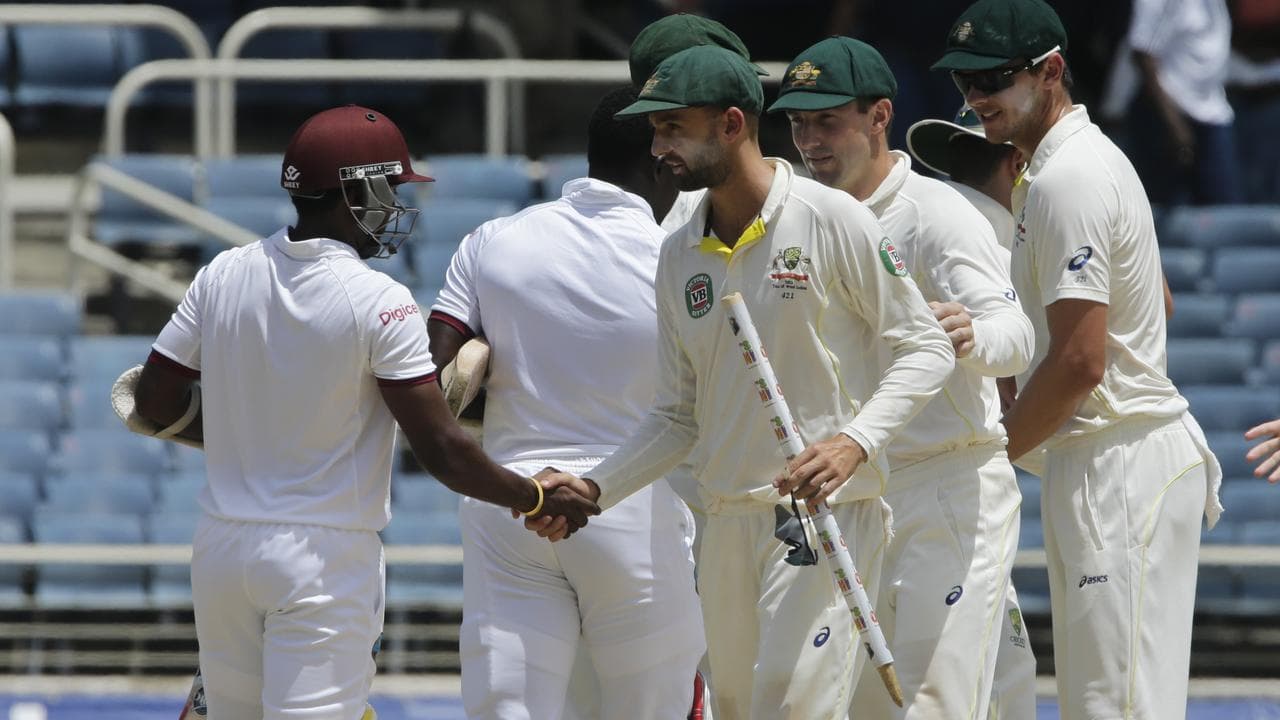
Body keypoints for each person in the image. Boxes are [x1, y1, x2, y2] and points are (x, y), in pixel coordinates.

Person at [132, 105, 599, 720]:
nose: (397, 203)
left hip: (221, 549)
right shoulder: (381, 300)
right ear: (356, 190)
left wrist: (253, 435)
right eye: (391, 187)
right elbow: (442, 450)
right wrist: (537, 498)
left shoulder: (224, 272)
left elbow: (153, 402)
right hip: (323, 561)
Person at [533, 45, 957, 719]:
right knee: (737, 708)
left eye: (674, 127)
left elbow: (927, 348)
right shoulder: (676, 254)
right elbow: (677, 415)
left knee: (792, 708)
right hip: (725, 521)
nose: (658, 145)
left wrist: (853, 442)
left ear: (731, 125)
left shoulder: (830, 218)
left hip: (821, 517)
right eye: (655, 129)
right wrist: (594, 487)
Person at [932, 2, 1224, 718]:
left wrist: (989, 456)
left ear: (1051, 71)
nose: (974, 97)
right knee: (1106, 700)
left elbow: (1081, 363)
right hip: (1102, 460)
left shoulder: (1070, 177)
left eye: (992, 78)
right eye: (963, 80)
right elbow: (1157, 300)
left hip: (1117, 463)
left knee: (1112, 707)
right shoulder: (1060, 168)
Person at [770, 37, 1033, 720]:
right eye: (798, 122)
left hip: (947, 488)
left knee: (929, 703)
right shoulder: (803, 216)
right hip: (859, 495)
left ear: (880, 115)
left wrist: (973, 337)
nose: (808, 140)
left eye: (827, 121)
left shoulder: (937, 215)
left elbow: (1016, 335)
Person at [424, 87, 706, 720]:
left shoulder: (492, 239)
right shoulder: (680, 257)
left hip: (510, 504)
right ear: (661, 159)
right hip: (629, 505)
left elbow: (433, 373)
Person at [907, 104, 1039, 720]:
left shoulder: (936, 215)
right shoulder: (987, 224)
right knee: (990, 679)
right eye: (952, 160)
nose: (957, 174)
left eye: (972, 160)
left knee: (1000, 670)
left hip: (946, 472)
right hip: (955, 480)